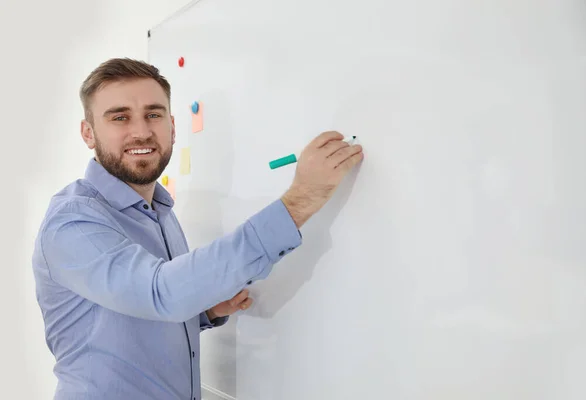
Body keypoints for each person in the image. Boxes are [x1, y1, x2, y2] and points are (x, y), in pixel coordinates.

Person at [31, 57, 364, 400]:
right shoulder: (73, 222)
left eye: (153, 114)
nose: (141, 131)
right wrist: (300, 200)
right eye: (120, 117)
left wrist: (204, 311)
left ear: (172, 127)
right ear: (88, 133)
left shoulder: (159, 210)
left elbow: (133, 311)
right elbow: (162, 294)